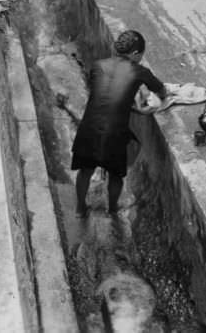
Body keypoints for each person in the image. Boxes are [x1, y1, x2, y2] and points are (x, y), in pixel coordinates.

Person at [71, 30, 166, 217]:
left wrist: (129, 103)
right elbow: (162, 92)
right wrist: (141, 107)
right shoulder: (140, 71)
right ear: (136, 54)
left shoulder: (98, 65)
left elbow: (103, 97)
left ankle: (80, 208)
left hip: (88, 127)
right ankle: (112, 209)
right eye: (140, 56)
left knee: (85, 171)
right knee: (115, 175)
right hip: (114, 133)